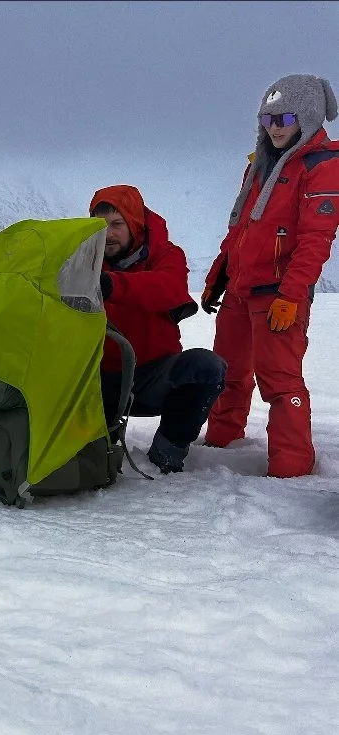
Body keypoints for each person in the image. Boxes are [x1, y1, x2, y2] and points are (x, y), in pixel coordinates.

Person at [201, 73, 339, 478]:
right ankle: (220, 444)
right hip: (241, 291)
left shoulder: (323, 166)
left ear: (309, 118)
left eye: (285, 117)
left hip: (279, 293)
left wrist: (292, 295)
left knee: (280, 382)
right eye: (267, 119)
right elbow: (239, 230)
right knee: (227, 371)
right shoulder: (260, 166)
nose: (274, 127)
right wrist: (218, 277)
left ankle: (291, 469)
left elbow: (316, 241)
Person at [90, 185, 227, 473]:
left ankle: (166, 456)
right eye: (100, 225)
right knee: (92, 460)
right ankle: (95, 448)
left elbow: (169, 288)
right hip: (94, 380)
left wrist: (114, 285)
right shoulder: (83, 258)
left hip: (151, 378)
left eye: (117, 224)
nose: (108, 234)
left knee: (205, 366)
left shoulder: (166, 255)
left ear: (135, 223)